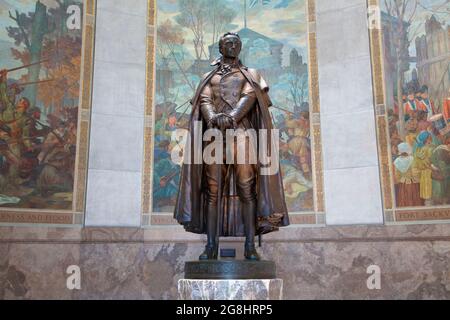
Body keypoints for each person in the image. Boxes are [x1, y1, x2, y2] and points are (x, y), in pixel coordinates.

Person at [174, 32, 289, 261]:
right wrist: (214, 118)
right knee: (212, 192)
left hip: (242, 135)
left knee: (247, 188)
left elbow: (250, 97)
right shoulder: (209, 77)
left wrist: (232, 117)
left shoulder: (251, 75)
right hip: (214, 136)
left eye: (236, 43)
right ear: (220, 47)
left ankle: (249, 246)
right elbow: (204, 100)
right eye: (228, 42)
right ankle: (210, 247)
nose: (233, 46)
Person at [393, 142, 422, 207]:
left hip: (403, 183)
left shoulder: (397, 161)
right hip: (412, 183)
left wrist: (398, 180)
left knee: (404, 198)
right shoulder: (412, 159)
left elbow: (397, 174)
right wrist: (419, 179)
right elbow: (415, 172)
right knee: (413, 197)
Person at [413, 131, 435, 205]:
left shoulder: (428, 147)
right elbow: (420, 162)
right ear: (425, 139)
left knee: (430, 190)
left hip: (427, 172)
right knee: (428, 190)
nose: (430, 139)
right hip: (427, 172)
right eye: (429, 138)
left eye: (430, 138)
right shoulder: (425, 149)